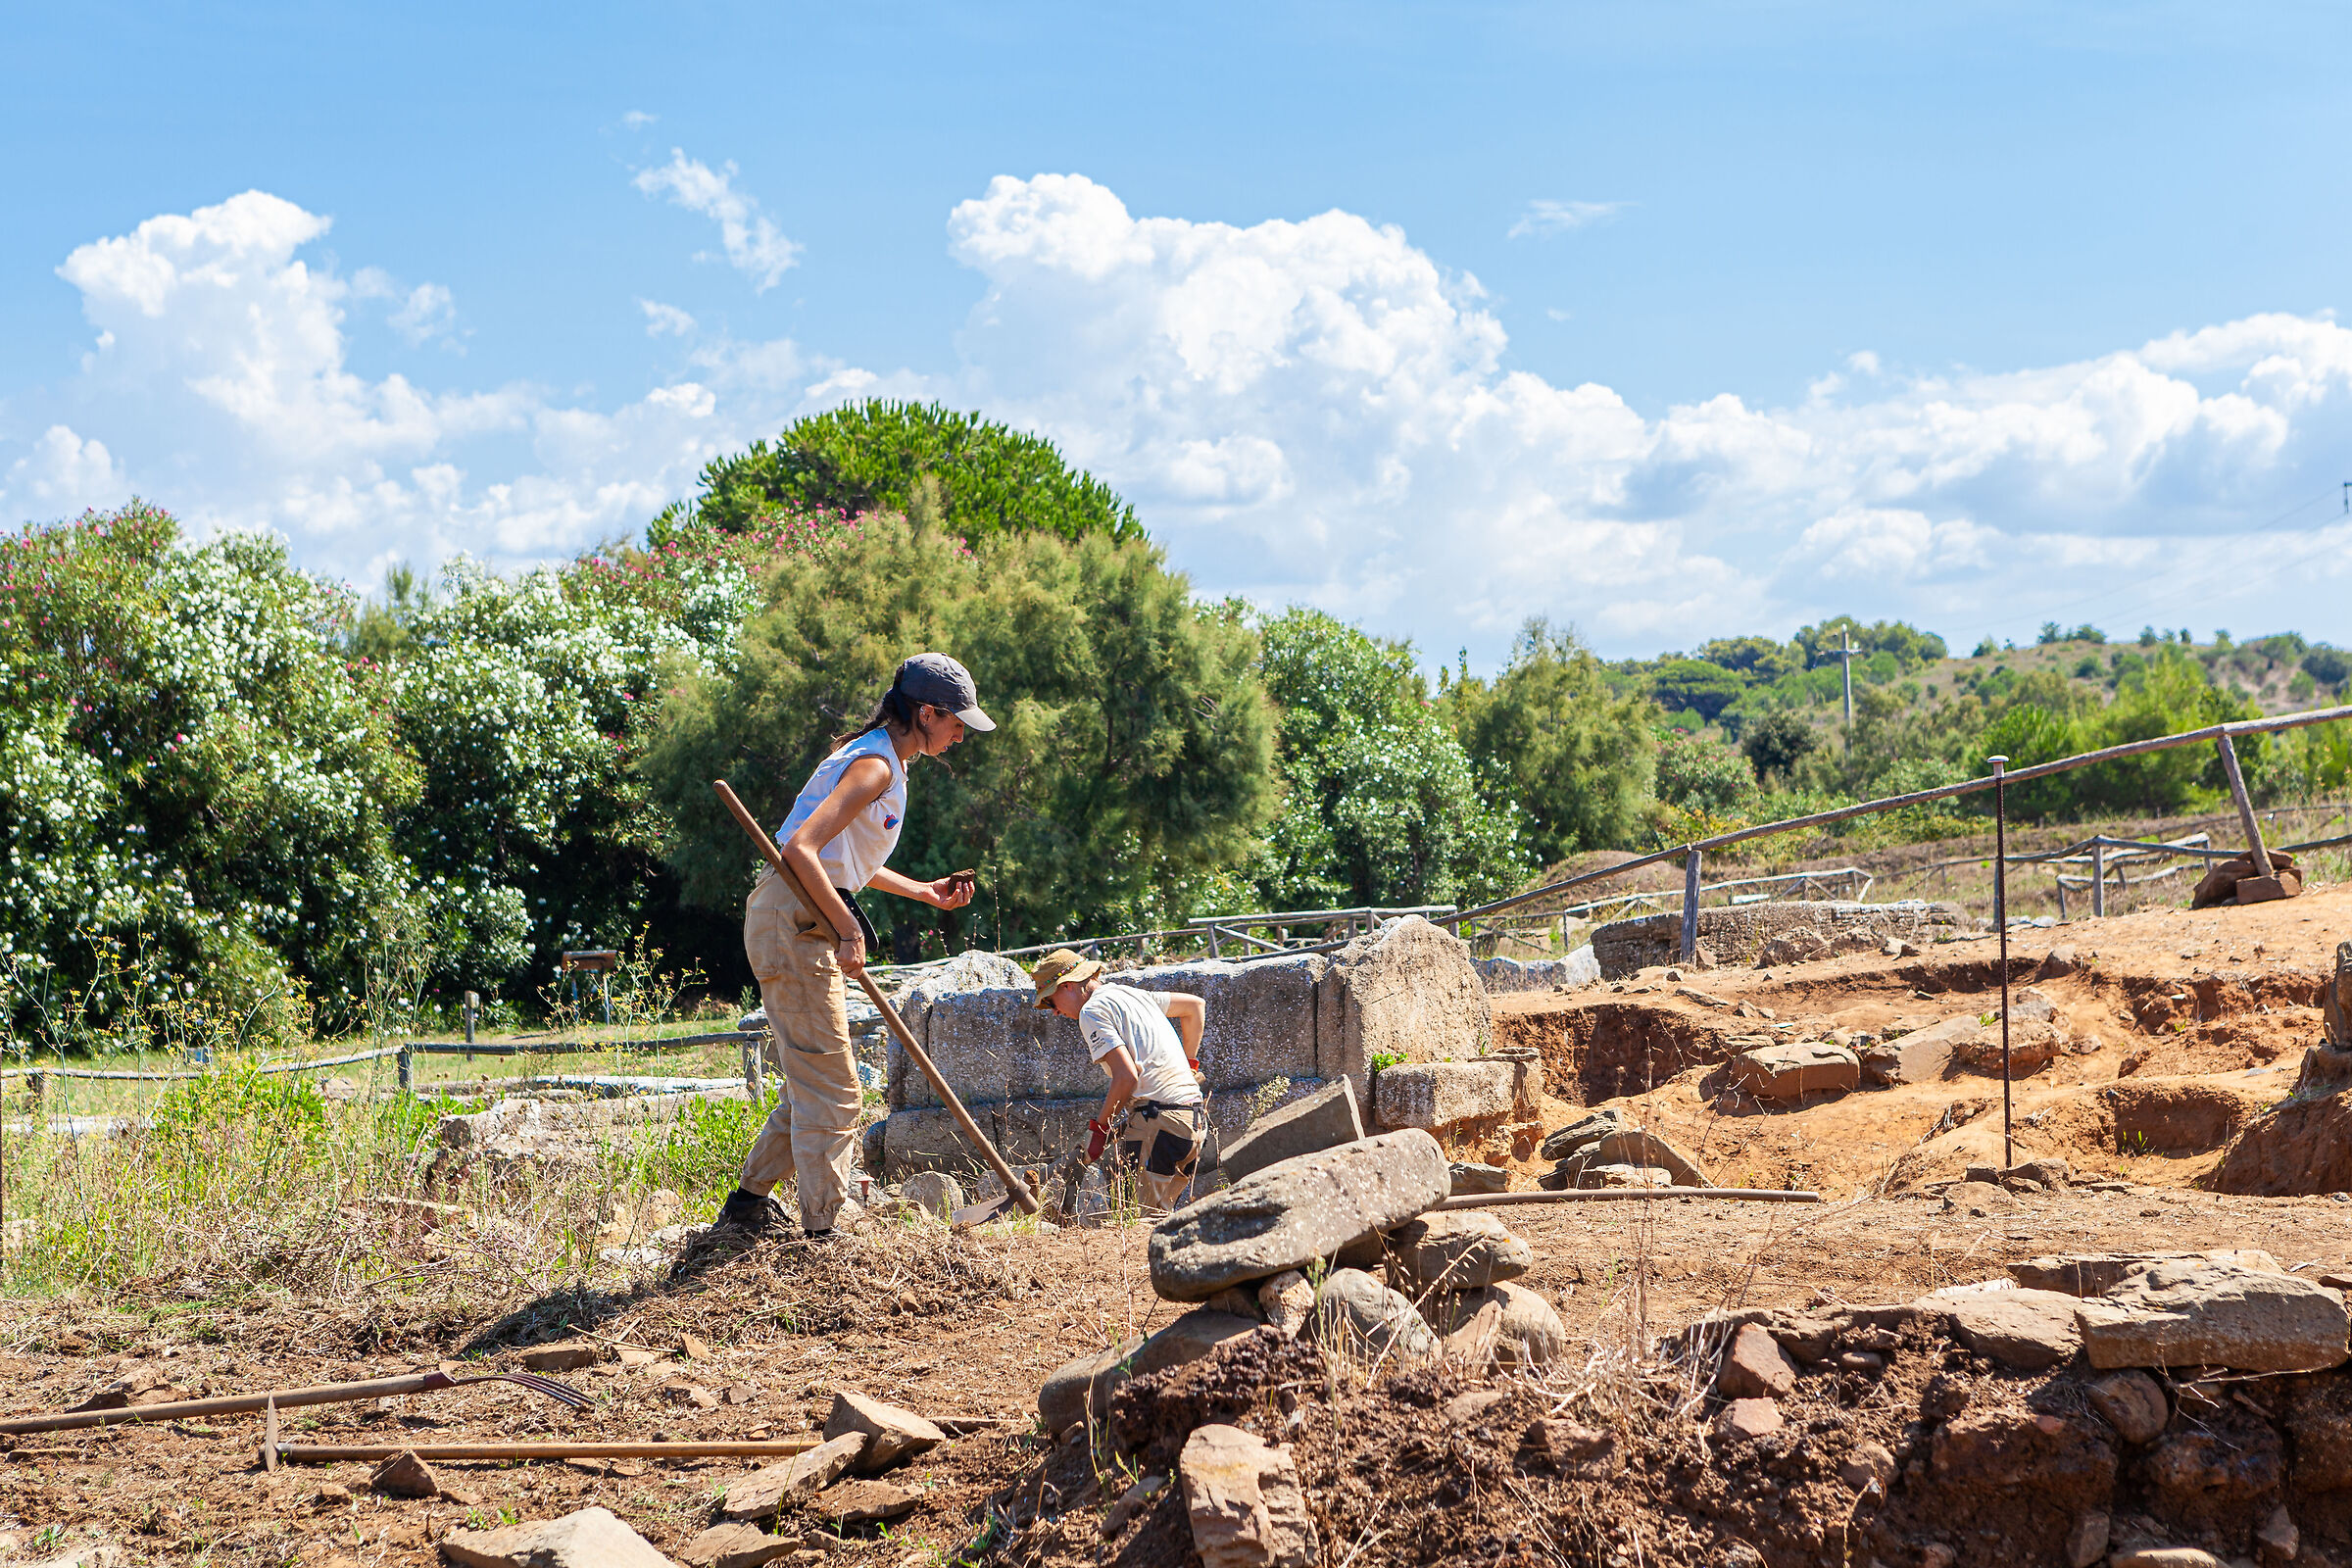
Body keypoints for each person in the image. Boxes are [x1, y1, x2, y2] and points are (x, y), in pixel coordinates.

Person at [717, 654, 993, 1237]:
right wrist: (848, 929)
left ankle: (746, 1208)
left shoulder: (885, 759)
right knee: (838, 1089)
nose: (960, 732)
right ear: (925, 712)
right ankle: (826, 1232)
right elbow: (801, 852)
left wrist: (925, 892)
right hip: (794, 917)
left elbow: (844, 864)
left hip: (797, 913)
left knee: (816, 1082)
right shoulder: (874, 767)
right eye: (955, 721)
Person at [1030, 950, 1206, 1212]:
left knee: (1137, 1223)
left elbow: (1126, 1076)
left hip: (1159, 1123)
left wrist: (1100, 1130)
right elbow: (1194, 1007)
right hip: (1192, 1120)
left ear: (1066, 986)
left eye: (1051, 1002)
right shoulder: (1133, 995)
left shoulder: (1091, 1011)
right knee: (1159, 1222)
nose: (1054, 1012)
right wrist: (1188, 1065)